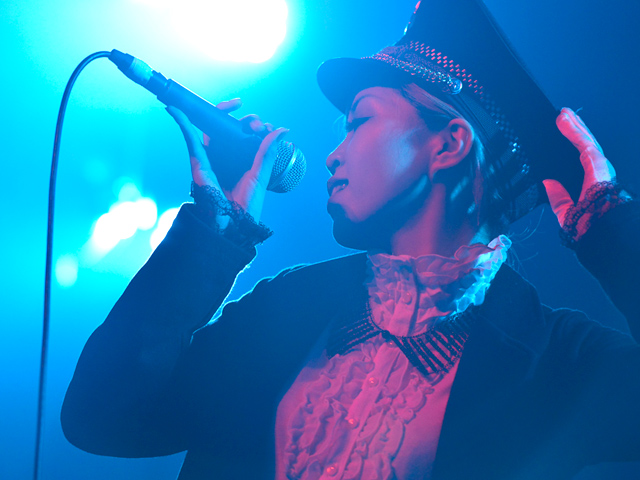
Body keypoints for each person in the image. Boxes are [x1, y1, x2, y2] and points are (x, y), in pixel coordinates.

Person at [61, 1, 640, 479]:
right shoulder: (285, 305)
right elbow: (102, 418)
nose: (333, 155)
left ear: (449, 143)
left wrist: (613, 236)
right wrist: (214, 232)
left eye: (359, 121)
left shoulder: (556, 361)